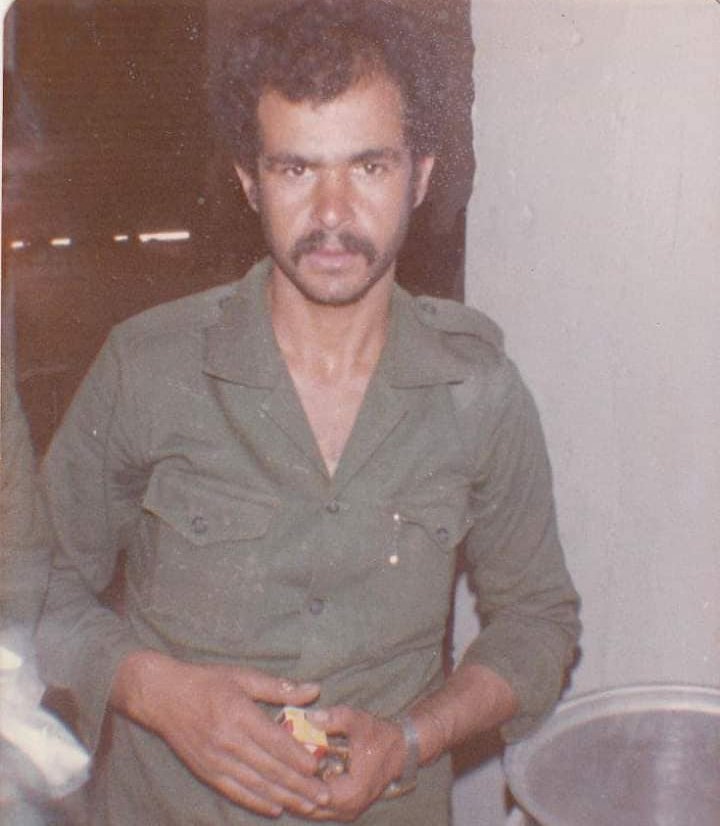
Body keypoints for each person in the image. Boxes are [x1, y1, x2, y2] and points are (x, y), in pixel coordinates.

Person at [36, 2, 581, 824]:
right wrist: (154, 692)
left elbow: (539, 623)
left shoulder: (480, 392)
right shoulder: (147, 369)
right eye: (296, 169)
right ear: (249, 181)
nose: (331, 214)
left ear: (419, 177)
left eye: (369, 167)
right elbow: (29, 588)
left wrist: (412, 738)